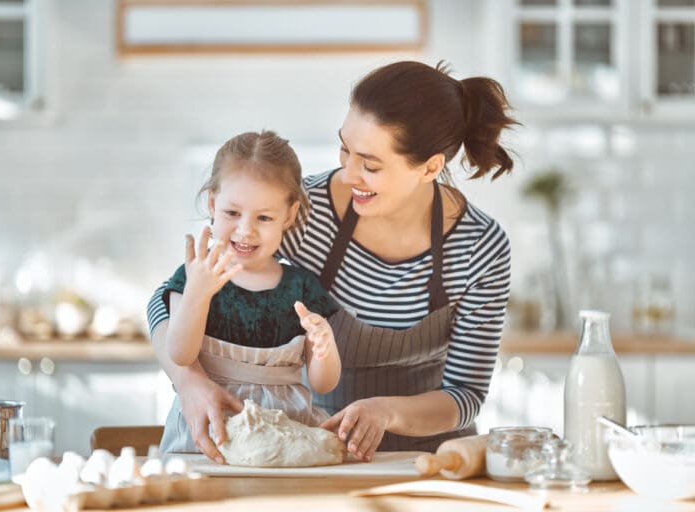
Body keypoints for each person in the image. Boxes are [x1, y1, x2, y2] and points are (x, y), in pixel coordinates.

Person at [148, 60, 516, 463]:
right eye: (345, 149)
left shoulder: (480, 246)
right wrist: (189, 382)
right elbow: (170, 298)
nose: (349, 172)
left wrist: (384, 411)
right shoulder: (305, 211)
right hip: (319, 447)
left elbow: (465, 394)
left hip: (432, 459)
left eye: (370, 165)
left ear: (429, 167)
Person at [158, 130, 341, 456]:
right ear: (213, 204)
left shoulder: (302, 286)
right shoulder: (193, 275)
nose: (245, 230)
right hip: (208, 435)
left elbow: (324, 384)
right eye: (232, 213)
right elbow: (180, 354)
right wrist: (197, 294)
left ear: (289, 215)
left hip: (284, 437)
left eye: (264, 217)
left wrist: (325, 346)